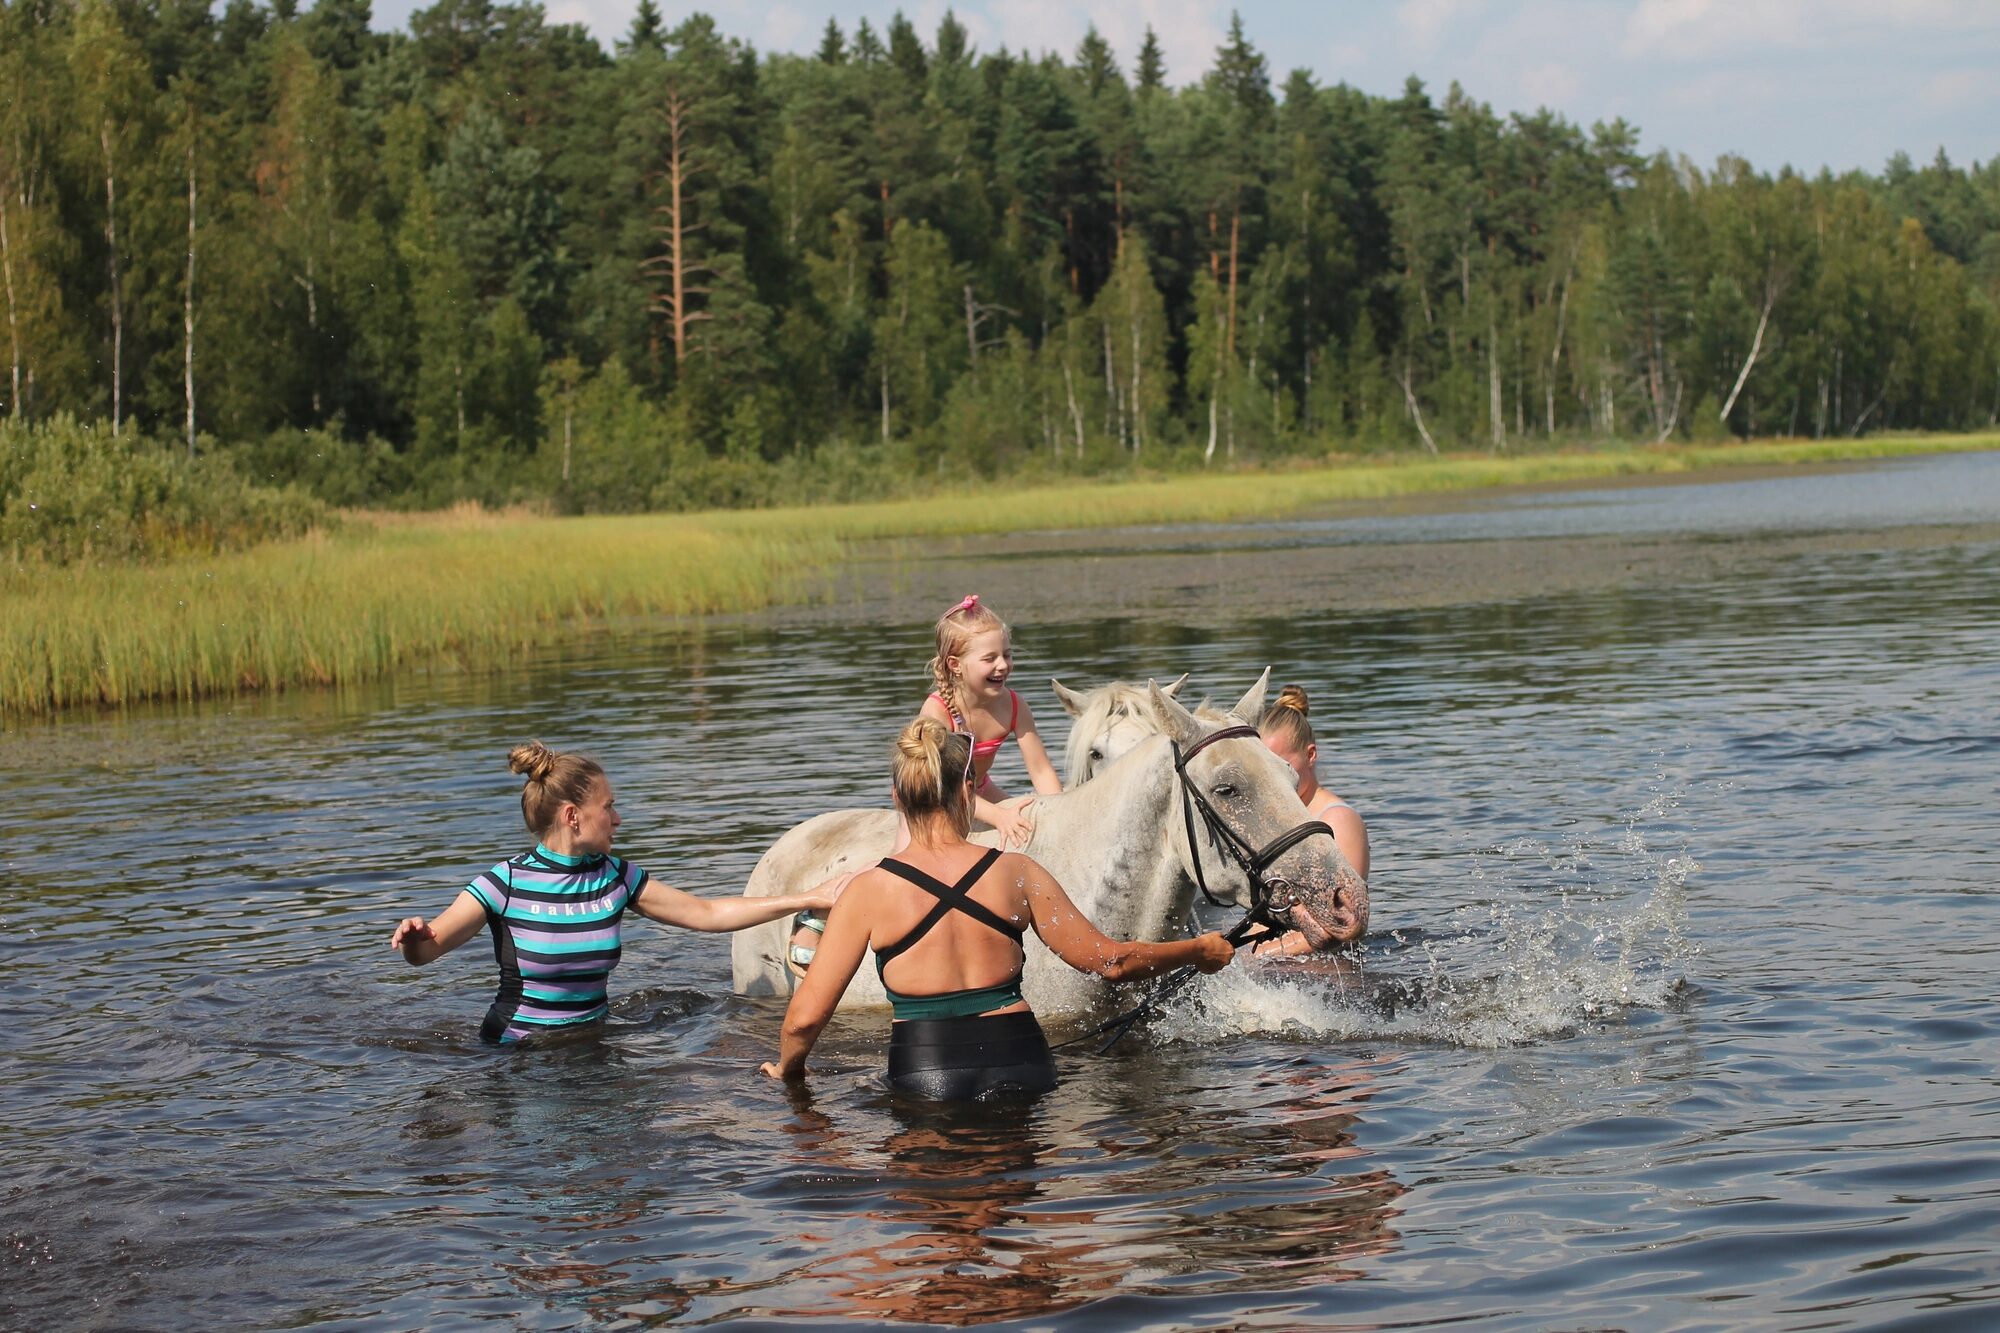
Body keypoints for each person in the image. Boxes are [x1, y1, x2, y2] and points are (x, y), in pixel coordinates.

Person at [760, 718, 1236, 1099]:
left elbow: (804, 1019)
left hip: (927, 1074)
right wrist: (1196, 949)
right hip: (1024, 1064)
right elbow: (1112, 962)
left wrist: (788, 1072)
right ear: (969, 790)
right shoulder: (1017, 873)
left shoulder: (867, 891)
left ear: (898, 798)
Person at [390, 741, 840, 1044]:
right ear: (572, 816)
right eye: (608, 807)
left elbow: (706, 913)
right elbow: (426, 953)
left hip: (592, 1044)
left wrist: (804, 898)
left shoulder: (616, 877)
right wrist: (414, 937)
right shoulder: (503, 884)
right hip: (517, 1053)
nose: (618, 819)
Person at [788, 594, 1063, 970]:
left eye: (1007, 655)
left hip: (977, 791)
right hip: (931, 799)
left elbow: (1042, 771)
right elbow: (941, 788)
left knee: (1031, 820)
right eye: (990, 658)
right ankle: (819, 911)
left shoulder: (1015, 705)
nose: (1003, 665)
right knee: (898, 863)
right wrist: (998, 817)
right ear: (955, 664)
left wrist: (1060, 813)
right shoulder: (937, 711)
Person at [1254, 685, 1371, 959]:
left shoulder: (1339, 820)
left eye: (1282, 765)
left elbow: (1342, 923)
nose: (1272, 779)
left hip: (1333, 976)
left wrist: (1255, 957)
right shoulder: (1268, 821)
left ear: (1311, 755)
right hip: (1280, 971)